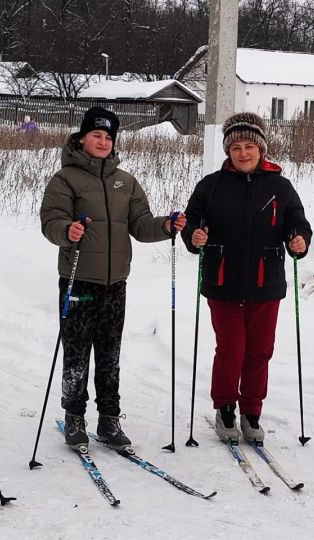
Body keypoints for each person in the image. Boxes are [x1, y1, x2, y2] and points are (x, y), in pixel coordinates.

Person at [40, 106, 186, 450]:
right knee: (76, 353)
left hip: (115, 283)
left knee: (109, 353)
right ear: (82, 138)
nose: (103, 141)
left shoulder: (126, 181)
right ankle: (75, 417)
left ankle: (109, 419)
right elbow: (51, 221)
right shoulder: (65, 179)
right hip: (78, 280)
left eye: (108, 137)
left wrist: (165, 225)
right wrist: (66, 230)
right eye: (96, 135)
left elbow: (140, 224)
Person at [180, 112, 312, 444]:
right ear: (228, 151)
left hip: (265, 285)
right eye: (236, 147)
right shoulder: (211, 185)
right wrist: (194, 235)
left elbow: (297, 223)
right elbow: (193, 219)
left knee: (259, 352)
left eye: (249, 146)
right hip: (222, 282)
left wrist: (299, 239)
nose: (243, 153)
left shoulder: (280, 187)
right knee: (231, 351)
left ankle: (251, 411)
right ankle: (225, 407)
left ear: (261, 149)